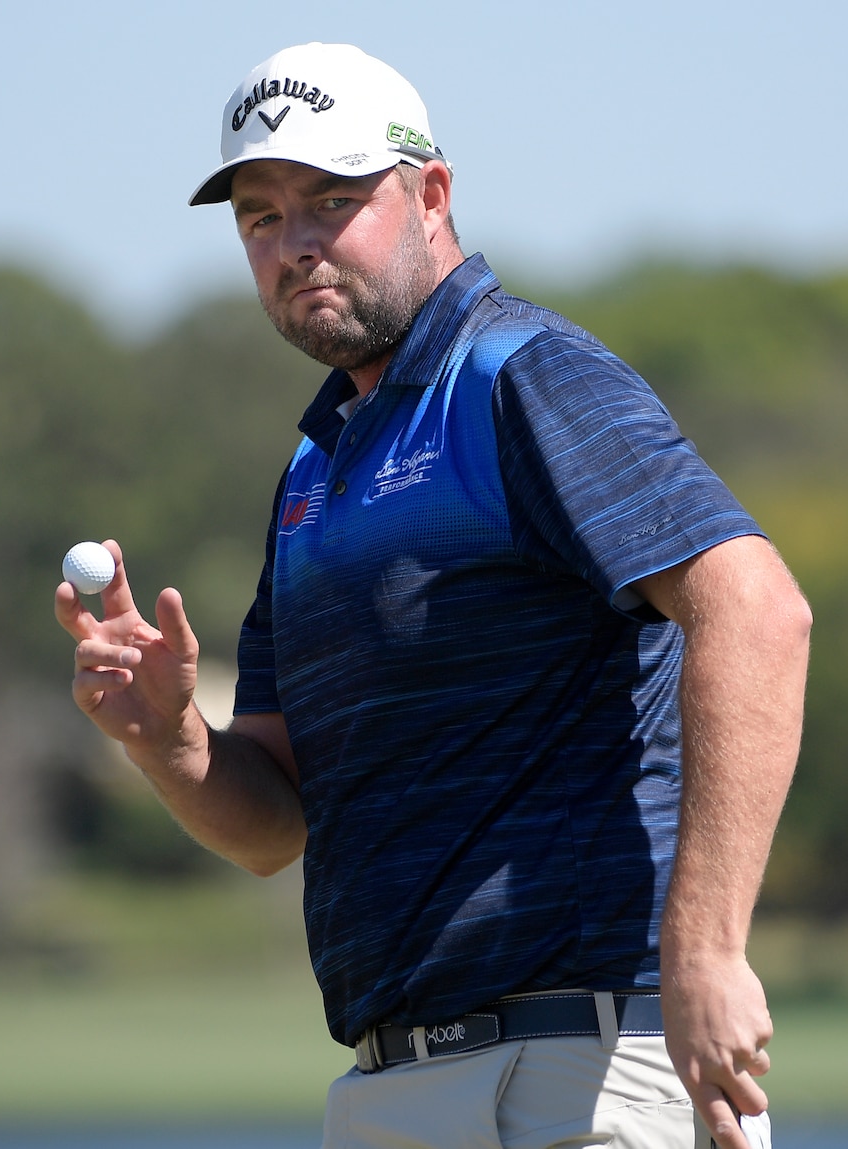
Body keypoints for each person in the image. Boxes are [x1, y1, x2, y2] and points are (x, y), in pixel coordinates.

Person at [55, 41, 811, 1149]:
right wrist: (169, 743)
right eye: (260, 216)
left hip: (583, 1071)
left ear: (433, 194)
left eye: (331, 199)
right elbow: (272, 829)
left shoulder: (521, 374)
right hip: (395, 1089)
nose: (295, 241)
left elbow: (754, 610)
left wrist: (705, 950)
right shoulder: (316, 471)